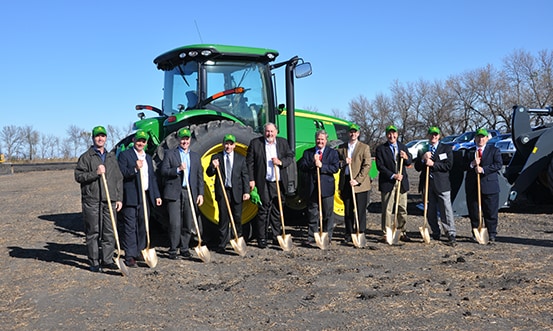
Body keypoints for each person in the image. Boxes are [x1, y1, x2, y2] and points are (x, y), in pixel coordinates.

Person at [74, 125, 123, 272]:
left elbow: (118, 178)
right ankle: (94, 262)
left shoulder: (111, 157)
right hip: (92, 199)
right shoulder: (86, 157)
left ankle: (107, 260)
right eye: (97, 136)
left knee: (109, 231)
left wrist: (119, 198)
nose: (100, 138)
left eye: (102, 136)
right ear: (93, 138)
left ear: (106, 138)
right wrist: (95, 173)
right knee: (93, 232)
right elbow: (78, 176)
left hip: (109, 199)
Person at [117, 130, 162, 267]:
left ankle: (141, 250)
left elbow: (152, 178)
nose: (140, 143)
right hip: (131, 196)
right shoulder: (125, 155)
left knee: (144, 225)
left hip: (145, 196)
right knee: (130, 226)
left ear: (146, 143)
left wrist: (157, 195)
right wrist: (135, 168)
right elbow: (122, 173)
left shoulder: (148, 157)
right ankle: (130, 256)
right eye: (138, 140)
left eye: (143, 141)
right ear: (133, 141)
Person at [246, 122, 294, 248]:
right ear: (264, 132)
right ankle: (261, 238)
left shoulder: (283, 143)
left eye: (272, 131)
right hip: (263, 182)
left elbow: (290, 156)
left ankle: (276, 236)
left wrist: (280, 162)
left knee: (277, 210)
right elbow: (249, 163)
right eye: (267, 131)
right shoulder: (256, 143)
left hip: (278, 181)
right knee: (263, 210)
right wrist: (251, 179)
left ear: (276, 132)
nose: (270, 134)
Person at [160, 128, 205, 259]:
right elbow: (163, 171)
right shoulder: (170, 154)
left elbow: (199, 177)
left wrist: (200, 194)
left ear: (190, 140)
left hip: (189, 192)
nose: (184, 141)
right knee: (175, 222)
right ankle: (173, 249)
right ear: (178, 140)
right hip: (174, 192)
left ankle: (184, 248)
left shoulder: (195, 157)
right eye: (182, 139)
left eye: (187, 138)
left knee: (187, 222)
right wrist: (177, 169)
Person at [206, 134, 250, 253]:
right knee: (223, 218)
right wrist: (213, 167)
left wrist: (246, 191)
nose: (228, 146)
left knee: (237, 217)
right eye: (226, 144)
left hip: (236, 192)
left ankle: (237, 239)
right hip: (223, 191)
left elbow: (245, 176)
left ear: (234, 145)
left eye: (231, 144)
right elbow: (209, 173)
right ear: (223, 144)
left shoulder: (240, 158)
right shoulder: (217, 157)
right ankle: (222, 243)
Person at [414, 126, 457, 246]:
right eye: (431, 134)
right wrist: (423, 159)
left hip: (442, 184)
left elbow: (448, 166)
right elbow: (417, 167)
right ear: (428, 135)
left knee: (446, 210)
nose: (434, 136)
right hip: (427, 185)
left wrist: (433, 164)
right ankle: (435, 231)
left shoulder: (446, 148)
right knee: (430, 211)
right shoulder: (423, 149)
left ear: (439, 136)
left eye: (436, 134)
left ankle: (450, 233)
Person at [298, 129, 340, 246]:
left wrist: (322, 166)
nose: (319, 141)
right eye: (318, 139)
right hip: (312, 188)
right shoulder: (308, 153)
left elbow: (335, 168)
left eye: (322, 139)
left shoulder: (332, 153)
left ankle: (327, 236)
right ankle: (312, 236)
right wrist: (313, 162)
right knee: (313, 213)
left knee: (327, 213)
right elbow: (302, 166)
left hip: (326, 188)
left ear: (326, 140)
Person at [464, 128, 503, 243]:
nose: (480, 139)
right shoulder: (469, 152)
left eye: (483, 137)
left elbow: (498, 165)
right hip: (473, 186)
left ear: (487, 138)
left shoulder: (494, 150)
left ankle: (491, 233)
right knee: (474, 211)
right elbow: (462, 165)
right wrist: (472, 164)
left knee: (490, 211)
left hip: (489, 186)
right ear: (475, 138)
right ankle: (476, 231)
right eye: (478, 137)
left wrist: (483, 169)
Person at [375, 125, 412, 242]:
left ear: (397, 134)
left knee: (402, 208)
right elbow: (380, 166)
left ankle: (402, 231)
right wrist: (393, 175)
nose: (392, 136)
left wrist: (406, 157)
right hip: (388, 182)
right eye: (389, 134)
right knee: (387, 209)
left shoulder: (403, 147)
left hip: (401, 183)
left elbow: (409, 162)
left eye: (394, 133)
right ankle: (386, 233)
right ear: (386, 135)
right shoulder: (381, 149)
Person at [337, 123, 372, 245]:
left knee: (360, 210)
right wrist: (343, 163)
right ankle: (349, 233)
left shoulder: (364, 147)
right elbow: (336, 162)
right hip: (346, 181)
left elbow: (367, 165)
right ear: (348, 133)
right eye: (351, 132)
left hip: (360, 185)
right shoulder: (342, 148)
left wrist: (358, 180)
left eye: (355, 132)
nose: (353, 134)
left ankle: (360, 232)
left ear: (358, 133)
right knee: (348, 210)